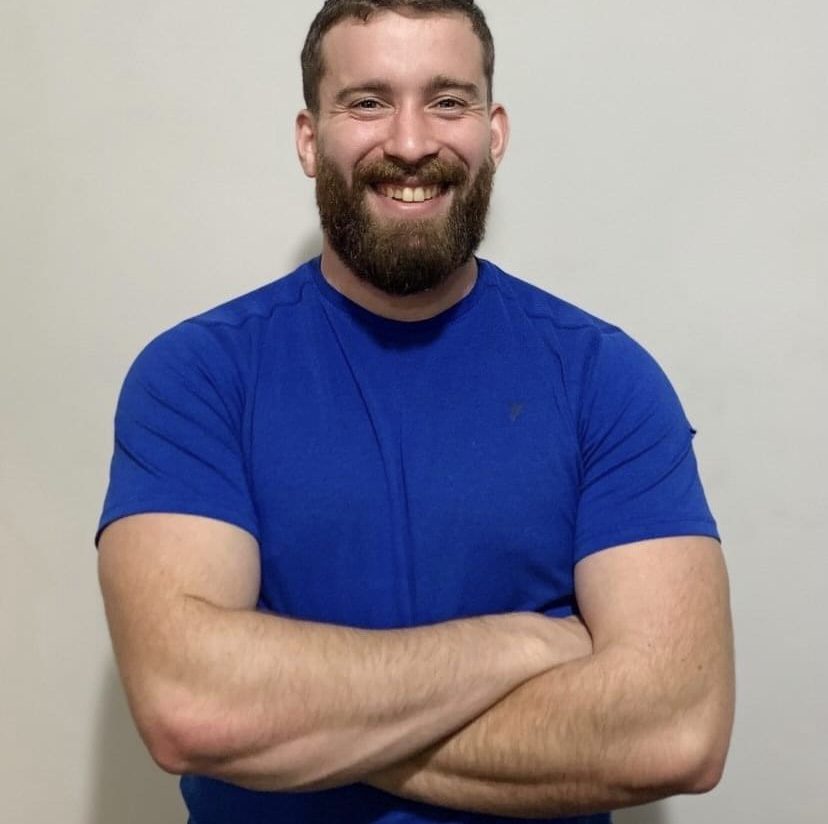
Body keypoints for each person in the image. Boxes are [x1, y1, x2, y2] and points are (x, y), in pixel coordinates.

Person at [96, 1, 735, 822]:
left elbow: (676, 731)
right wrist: (526, 643)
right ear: (308, 138)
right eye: (366, 102)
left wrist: (307, 725)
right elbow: (192, 708)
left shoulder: (605, 379)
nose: (408, 142)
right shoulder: (196, 377)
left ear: (494, 133)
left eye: (448, 101)